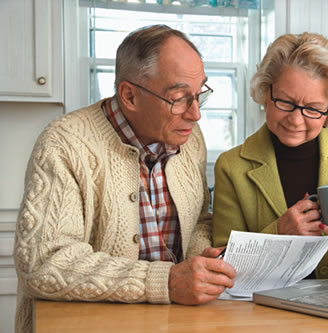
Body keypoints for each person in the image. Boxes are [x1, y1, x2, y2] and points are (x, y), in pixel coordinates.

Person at [14, 25, 235, 333]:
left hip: (174, 322)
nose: (196, 114)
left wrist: (200, 261)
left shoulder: (190, 138)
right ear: (130, 95)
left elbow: (198, 219)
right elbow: (44, 265)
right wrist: (166, 282)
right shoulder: (63, 144)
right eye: (179, 98)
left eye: (200, 95)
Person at [212, 32, 328, 280]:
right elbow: (221, 263)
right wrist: (278, 234)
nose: (295, 120)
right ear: (266, 92)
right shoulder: (231, 167)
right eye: (285, 102)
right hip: (263, 313)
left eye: (313, 109)